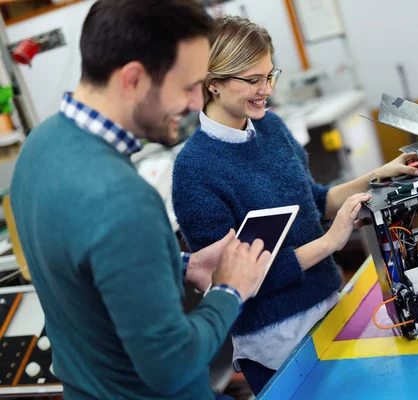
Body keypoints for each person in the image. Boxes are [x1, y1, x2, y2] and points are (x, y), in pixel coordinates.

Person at [10, 2, 271, 399]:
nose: (196, 104)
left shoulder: (40, 146)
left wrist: (184, 263)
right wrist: (230, 290)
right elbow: (171, 364)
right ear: (133, 79)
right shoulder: (123, 200)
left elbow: (89, 269)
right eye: (186, 87)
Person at [171, 16, 418, 395]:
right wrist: (329, 243)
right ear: (213, 83)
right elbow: (236, 280)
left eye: (270, 76)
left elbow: (316, 201)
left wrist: (380, 175)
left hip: (331, 310)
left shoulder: (272, 129)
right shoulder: (194, 171)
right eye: (253, 80)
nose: (266, 90)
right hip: (275, 344)